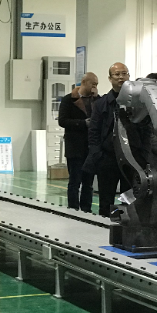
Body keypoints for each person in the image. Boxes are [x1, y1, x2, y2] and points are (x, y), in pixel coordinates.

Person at [84, 63, 151, 217]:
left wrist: (144, 155)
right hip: (108, 158)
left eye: (124, 73)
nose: (121, 77)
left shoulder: (139, 103)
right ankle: (103, 226)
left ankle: (128, 227)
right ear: (110, 78)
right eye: (117, 74)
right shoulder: (102, 103)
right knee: (106, 200)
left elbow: (147, 130)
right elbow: (94, 131)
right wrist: (97, 155)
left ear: (129, 76)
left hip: (133, 158)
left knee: (131, 199)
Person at [58, 72, 98, 212]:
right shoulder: (68, 100)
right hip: (75, 147)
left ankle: (86, 209)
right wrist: (82, 123)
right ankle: (73, 209)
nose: (95, 87)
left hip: (91, 148)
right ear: (84, 82)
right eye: (93, 84)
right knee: (74, 181)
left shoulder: (97, 101)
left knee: (88, 183)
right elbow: (63, 121)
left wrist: (96, 99)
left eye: (96, 85)